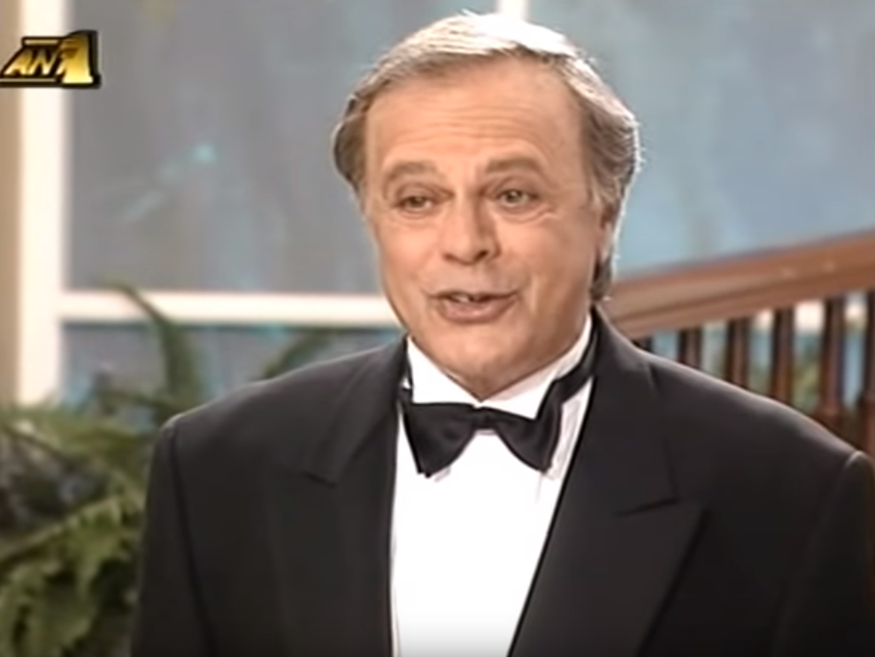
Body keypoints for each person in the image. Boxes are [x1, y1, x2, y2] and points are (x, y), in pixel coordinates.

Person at [130, 12, 875, 657]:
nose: (465, 243)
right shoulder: (218, 468)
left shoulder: (793, 492)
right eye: (417, 200)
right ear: (371, 218)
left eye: (513, 195)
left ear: (604, 215)